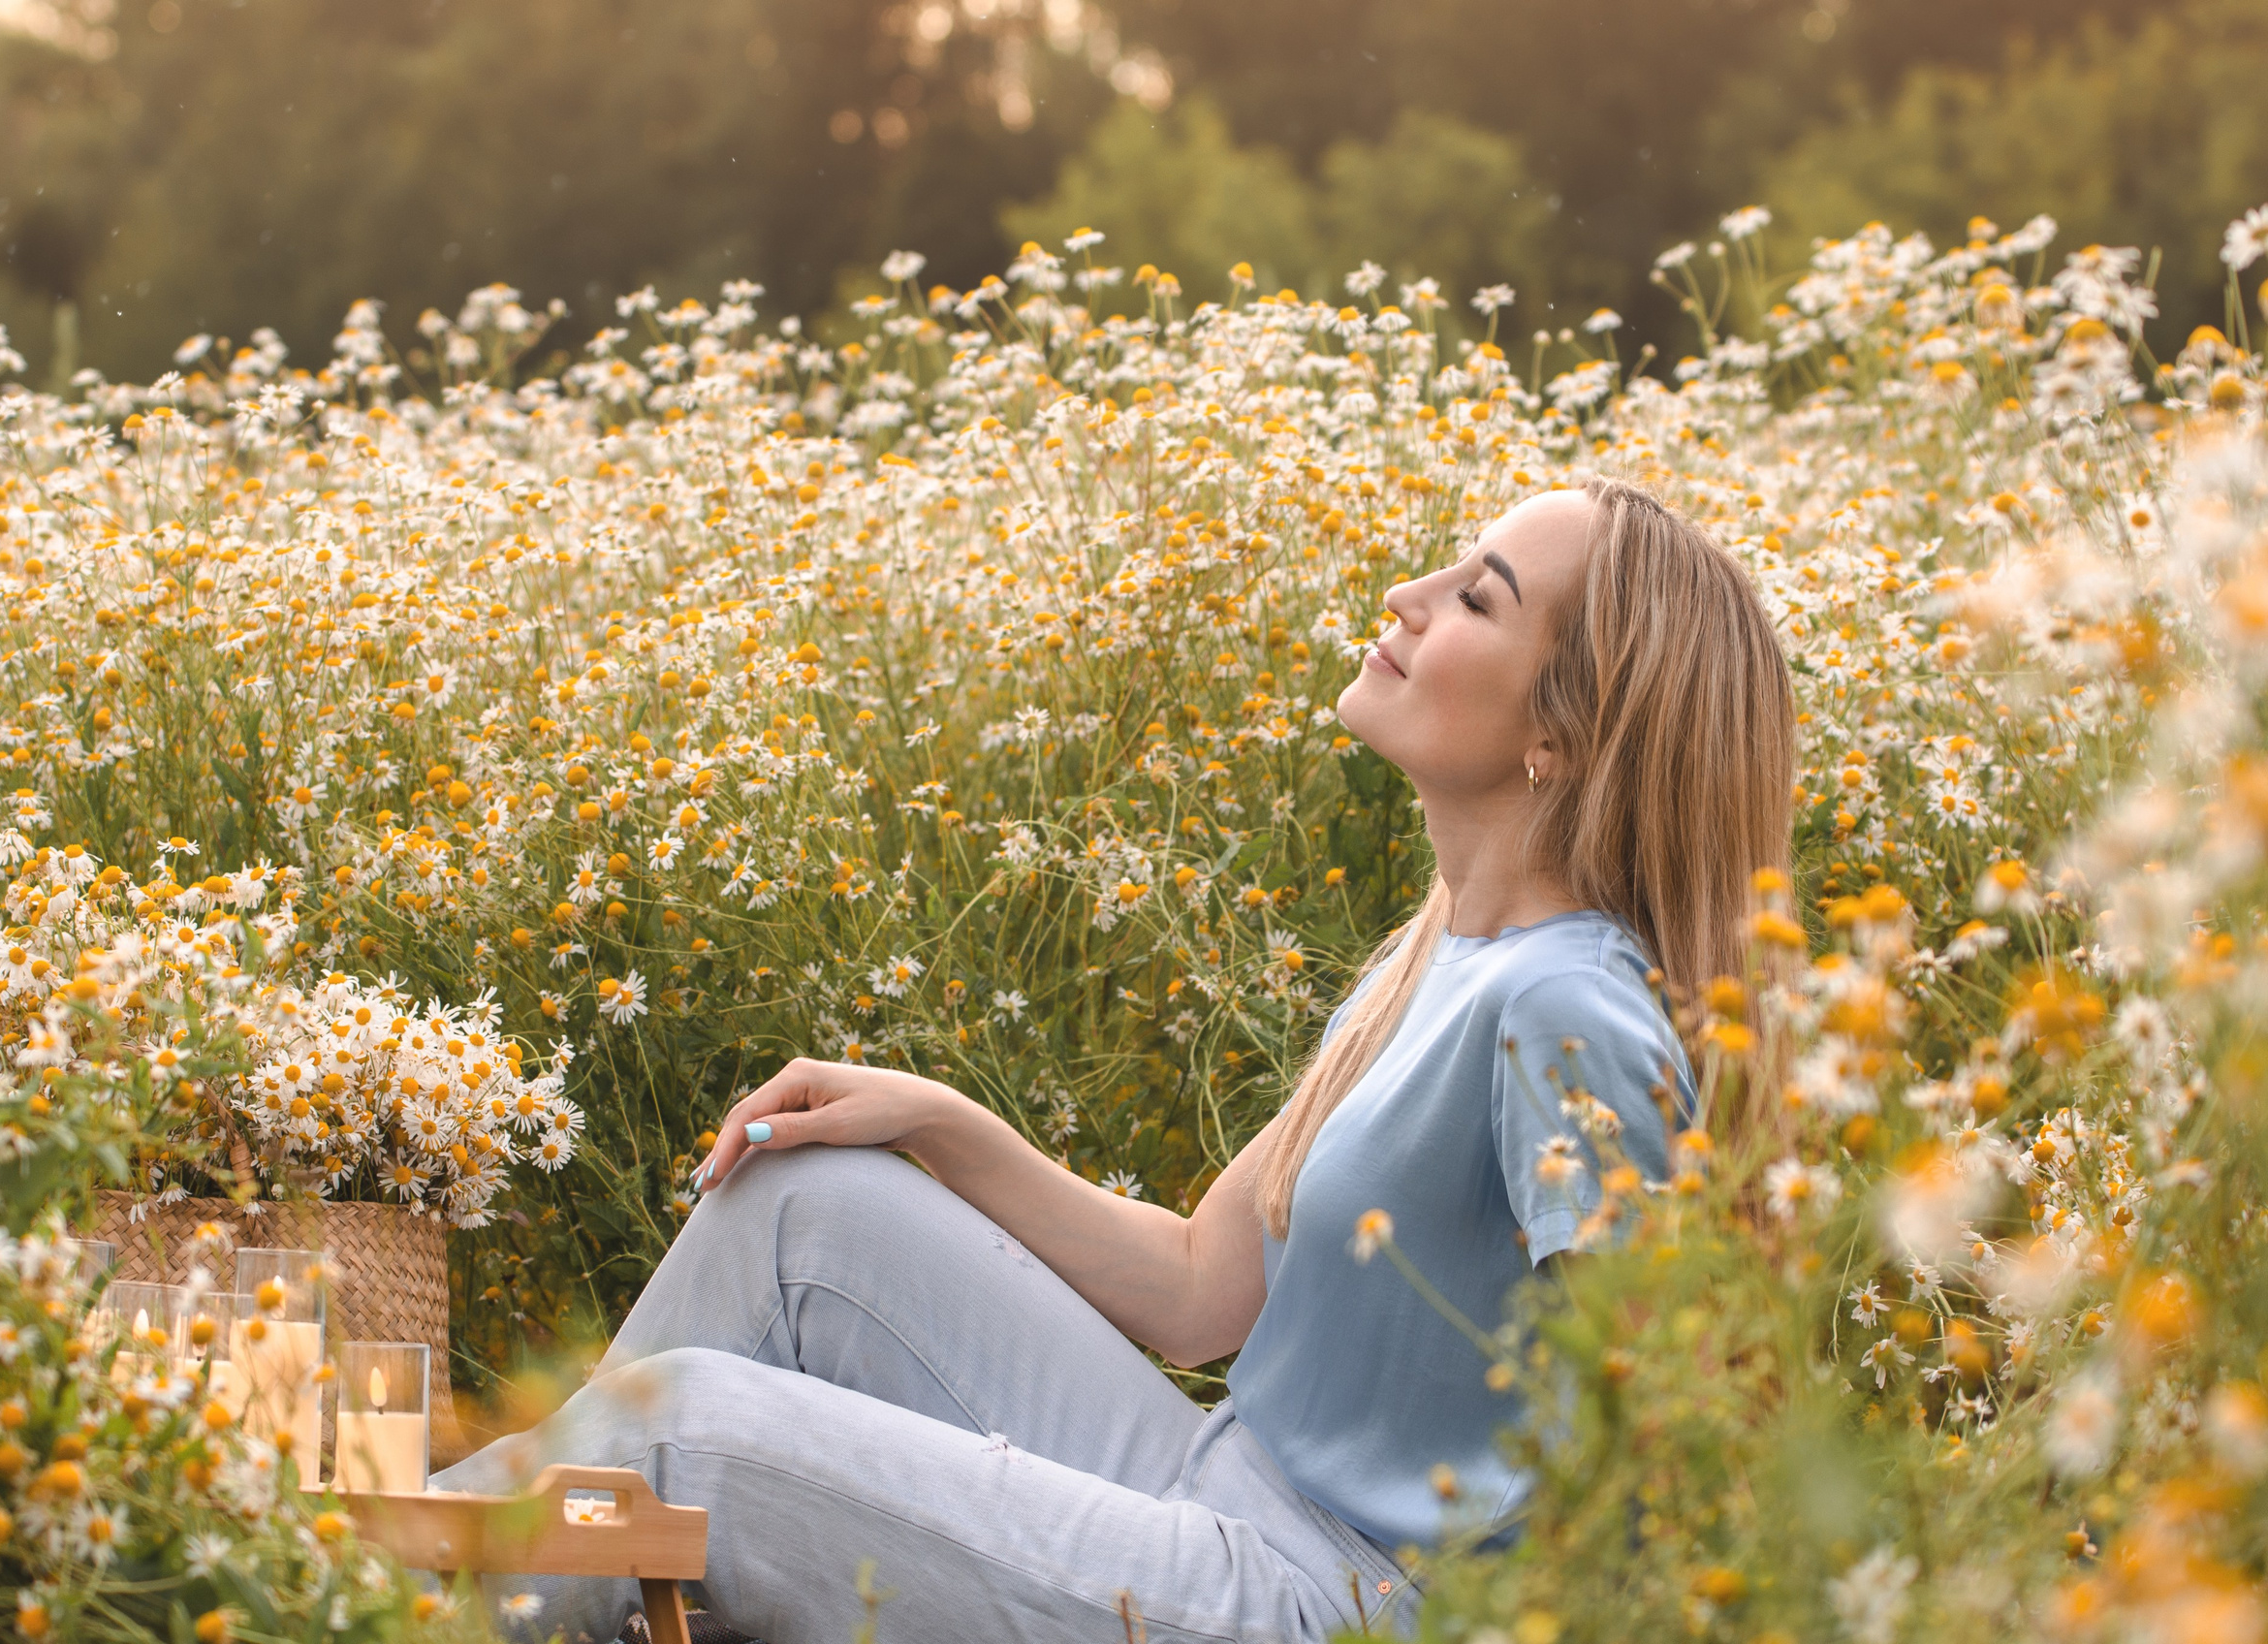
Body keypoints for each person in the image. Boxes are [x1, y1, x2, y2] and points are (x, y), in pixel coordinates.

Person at [430, 477, 1798, 1644]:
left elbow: (1690, 1428)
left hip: (1325, 1601)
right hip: (1218, 1484)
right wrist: (945, 1124)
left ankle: (304, 1586)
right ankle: (406, 1572)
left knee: (682, 1434)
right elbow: (1205, 1293)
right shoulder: (1445, 952)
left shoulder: (1565, 1010)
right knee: (804, 1211)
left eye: (1479, 598)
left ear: (1561, 734)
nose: (1409, 592)